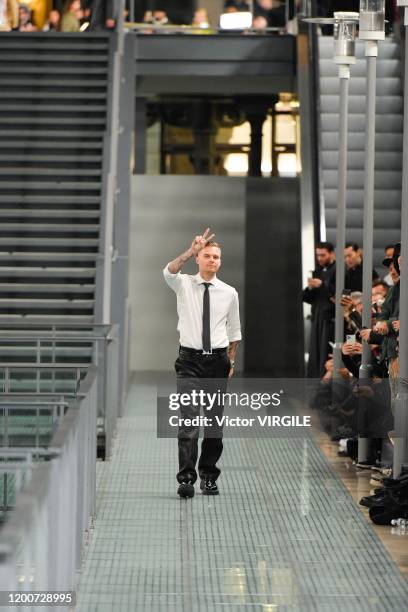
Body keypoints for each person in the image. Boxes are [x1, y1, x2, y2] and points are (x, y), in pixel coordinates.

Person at [163, 228, 242, 499]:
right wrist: (190, 250)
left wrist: (231, 361)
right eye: (207, 256)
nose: (212, 260)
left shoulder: (229, 292)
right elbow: (169, 271)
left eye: (216, 257)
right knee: (188, 422)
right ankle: (186, 478)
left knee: (213, 423)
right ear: (199, 258)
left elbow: (234, 332)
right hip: (189, 361)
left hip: (217, 361)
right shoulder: (184, 284)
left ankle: (209, 476)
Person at [303, 241, 336, 378]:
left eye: (323, 255)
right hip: (317, 315)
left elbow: (338, 292)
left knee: (324, 351)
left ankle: (324, 379)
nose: (320, 258)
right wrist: (311, 288)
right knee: (316, 351)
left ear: (331, 254)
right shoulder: (317, 271)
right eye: (318, 255)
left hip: (329, 318)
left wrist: (322, 285)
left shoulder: (337, 270)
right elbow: (307, 298)